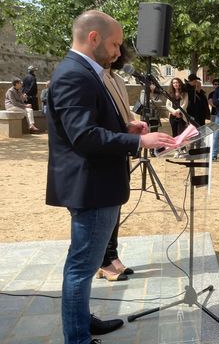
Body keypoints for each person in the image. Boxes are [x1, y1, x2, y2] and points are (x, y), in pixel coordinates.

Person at [45, 10, 175, 344]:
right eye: (115, 44)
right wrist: (138, 141)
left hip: (98, 183)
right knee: (81, 267)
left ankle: (82, 322)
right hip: (91, 187)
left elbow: (92, 125)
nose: (119, 52)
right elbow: (83, 136)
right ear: (94, 38)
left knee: (85, 265)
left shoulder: (87, 73)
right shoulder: (74, 74)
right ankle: (78, 338)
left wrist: (126, 128)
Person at [96, 44, 138, 283]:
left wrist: (133, 126)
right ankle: (102, 261)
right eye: (113, 47)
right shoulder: (95, 79)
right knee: (105, 211)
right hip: (106, 154)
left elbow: (123, 116)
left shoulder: (117, 80)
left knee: (117, 207)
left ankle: (112, 255)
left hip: (120, 151)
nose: (117, 54)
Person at [208, 77, 219, 150]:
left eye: (218, 84)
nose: (217, 85)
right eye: (215, 84)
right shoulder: (211, 94)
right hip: (214, 114)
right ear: (213, 85)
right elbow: (210, 103)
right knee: (214, 131)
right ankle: (214, 145)